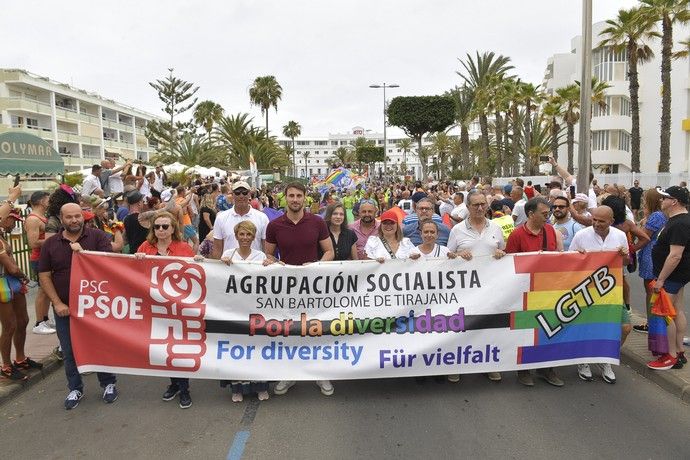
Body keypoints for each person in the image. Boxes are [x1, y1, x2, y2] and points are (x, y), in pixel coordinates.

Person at [38, 203, 118, 410]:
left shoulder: (97, 237)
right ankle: (75, 387)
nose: (74, 220)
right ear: (61, 219)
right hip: (65, 308)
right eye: (69, 217)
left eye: (77, 216)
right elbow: (44, 275)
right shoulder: (51, 244)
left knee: (100, 346)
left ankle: (108, 383)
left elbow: (108, 264)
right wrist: (57, 303)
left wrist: (82, 253)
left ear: (83, 217)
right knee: (69, 350)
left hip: (95, 305)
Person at [265, 182, 334, 397]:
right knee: (290, 330)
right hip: (286, 288)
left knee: (315, 329)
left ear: (305, 198)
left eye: (299, 196)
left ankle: (320, 374)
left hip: (314, 287)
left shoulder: (317, 222)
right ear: (285, 198)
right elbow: (267, 255)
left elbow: (329, 251)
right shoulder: (274, 225)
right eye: (291, 196)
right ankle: (290, 374)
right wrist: (276, 264)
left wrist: (315, 266)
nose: (295, 199)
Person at [135, 211, 198, 409]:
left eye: (165, 226)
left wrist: (199, 261)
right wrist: (137, 260)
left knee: (178, 346)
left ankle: (184, 388)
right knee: (164, 346)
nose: (161, 230)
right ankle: (174, 384)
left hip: (179, 305)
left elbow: (194, 272)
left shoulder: (183, 248)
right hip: (155, 305)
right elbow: (135, 273)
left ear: (173, 228)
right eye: (157, 227)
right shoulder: (145, 247)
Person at [445, 191, 505, 383]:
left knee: (487, 326)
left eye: (482, 204)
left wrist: (500, 253)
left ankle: (487, 364)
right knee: (462, 325)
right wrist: (459, 254)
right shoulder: (457, 230)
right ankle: (456, 364)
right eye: (475, 205)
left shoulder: (496, 228)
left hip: (490, 287)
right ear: (468, 207)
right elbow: (448, 256)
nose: (480, 208)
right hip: (464, 289)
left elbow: (502, 250)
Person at [506, 197, 564, 387]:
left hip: (547, 291)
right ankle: (523, 369)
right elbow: (509, 265)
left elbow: (560, 257)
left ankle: (547, 368)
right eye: (544, 214)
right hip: (524, 293)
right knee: (525, 331)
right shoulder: (516, 235)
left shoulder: (550, 231)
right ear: (531, 214)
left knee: (549, 330)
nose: (548, 217)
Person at [569, 206, 630, 384]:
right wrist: (577, 257)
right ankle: (583, 361)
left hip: (611, 292)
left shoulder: (620, 236)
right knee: (587, 328)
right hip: (586, 291)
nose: (596, 223)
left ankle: (605, 359)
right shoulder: (581, 236)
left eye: (601, 221)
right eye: (594, 219)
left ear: (611, 221)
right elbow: (569, 262)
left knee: (625, 328)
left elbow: (625, 262)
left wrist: (624, 256)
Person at [220, 221, 274, 402]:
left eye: (248, 235)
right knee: (237, 349)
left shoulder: (260, 256)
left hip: (256, 310)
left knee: (256, 348)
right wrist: (221, 263)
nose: (245, 238)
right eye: (241, 234)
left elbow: (276, 272)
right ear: (236, 236)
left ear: (253, 237)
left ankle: (260, 386)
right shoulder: (228, 254)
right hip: (234, 310)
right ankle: (237, 388)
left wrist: (271, 264)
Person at [647, 186, 690, 370]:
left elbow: (675, 255)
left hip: (672, 275)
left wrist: (661, 279)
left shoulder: (680, 223)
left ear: (674, 201)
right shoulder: (675, 220)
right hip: (677, 275)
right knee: (676, 310)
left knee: (665, 313)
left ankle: (670, 355)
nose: (661, 200)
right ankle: (679, 350)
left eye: (664, 198)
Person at [1, 208, 41, 381]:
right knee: (9, 326)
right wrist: (24, 277)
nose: (14, 223)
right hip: (3, 283)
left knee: (23, 321)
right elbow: (12, 268)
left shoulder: (2, 237)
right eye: (12, 220)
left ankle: (20, 359)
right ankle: (6, 367)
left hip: (13, 282)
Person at [633, 188, 667, 334]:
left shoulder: (656, 216)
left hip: (651, 253)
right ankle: (653, 323)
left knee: (651, 289)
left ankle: (652, 324)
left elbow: (645, 236)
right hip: (653, 252)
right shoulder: (659, 215)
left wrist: (632, 249)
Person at [211, 181, 269, 259]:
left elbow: (267, 248)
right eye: (237, 193)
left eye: (244, 193)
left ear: (249, 194)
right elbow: (217, 249)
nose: (241, 196)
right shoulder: (221, 218)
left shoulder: (262, 218)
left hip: (255, 267)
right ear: (232, 195)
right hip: (229, 268)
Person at [24, 191, 55, 335]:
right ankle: (38, 322)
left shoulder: (43, 217)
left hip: (46, 258)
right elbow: (33, 243)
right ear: (42, 201)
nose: (49, 201)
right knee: (43, 291)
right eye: (48, 199)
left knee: (48, 291)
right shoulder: (33, 219)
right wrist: (54, 239)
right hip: (39, 259)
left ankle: (45, 319)